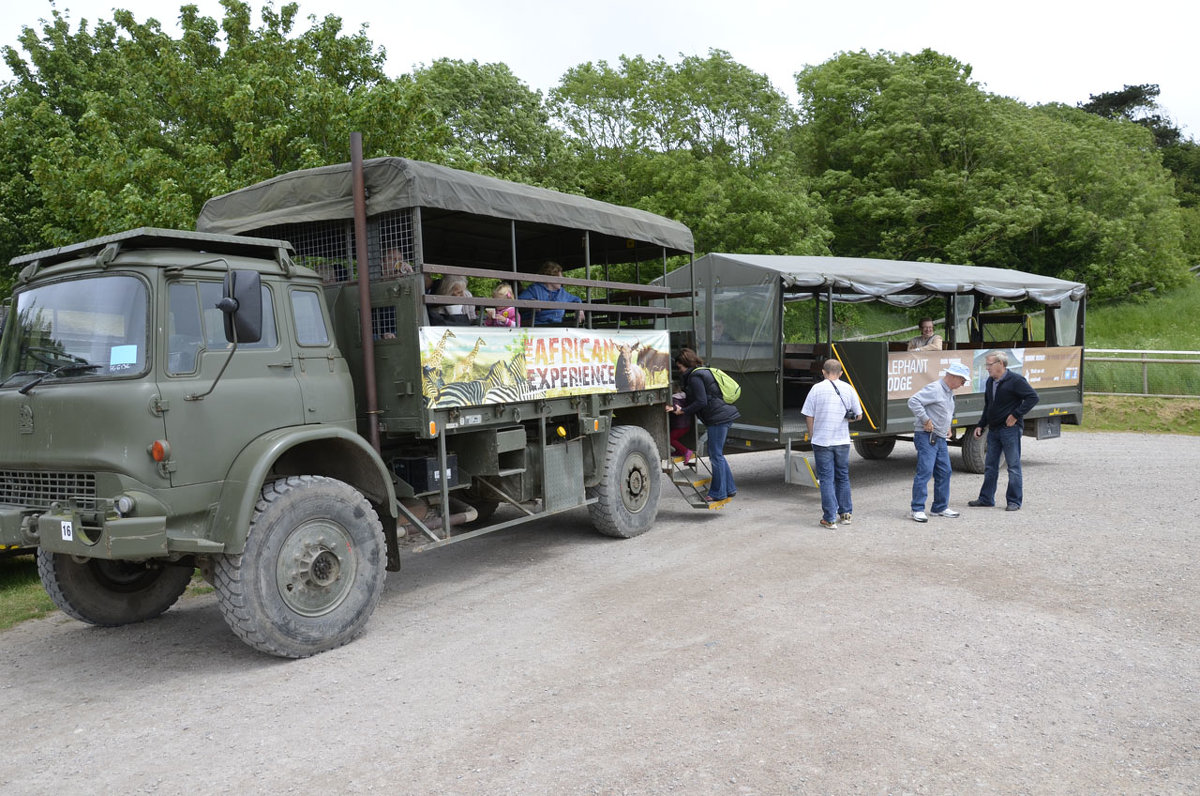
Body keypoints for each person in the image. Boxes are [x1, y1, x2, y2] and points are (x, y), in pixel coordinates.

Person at [969, 351, 1040, 511]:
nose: (987, 368)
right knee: (990, 465)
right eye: (986, 365)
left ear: (1000, 364)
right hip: (993, 430)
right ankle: (986, 498)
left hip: (1010, 430)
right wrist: (981, 424)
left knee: (1013, 466)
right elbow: (988, 406)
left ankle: (1014, 501)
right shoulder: (990, 381)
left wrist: (1016, 415)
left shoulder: (1015, 380)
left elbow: (1033, 397)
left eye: (989, 364)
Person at [670, 348, 739, 502]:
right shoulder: (702, 372)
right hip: (721, 416)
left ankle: (717, 493)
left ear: (685, 364)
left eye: (680, 367)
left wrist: (684, 411)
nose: (679, 371)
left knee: (715, 456)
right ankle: (729, 488)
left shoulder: (695, 377)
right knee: (718, 455)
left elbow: (701, 401)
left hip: (718, 418)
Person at [801, 359, 863, 529]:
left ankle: (829, 518)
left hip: (822, 441)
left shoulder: (816, 389)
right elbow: (858, 415)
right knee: (842, 476)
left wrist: (812, 433)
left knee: (826, 479)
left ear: (823, 372)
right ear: (841, 373)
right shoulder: (848, 389)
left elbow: (808, 415)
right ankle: (846, 514)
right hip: (842, 440)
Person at [907, 362, 971, 522]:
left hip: (939, 437)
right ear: (954, 376)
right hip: (927, 436)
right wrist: (925, 419)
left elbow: (944, 411)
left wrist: (947, 426)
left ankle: (940, 507)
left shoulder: (948, 392)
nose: (963, 384)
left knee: (945, 471)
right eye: (962, 381)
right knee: (925, 471)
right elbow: (913, 401)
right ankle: (917, 509)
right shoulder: (935, 389)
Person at [518, 261, 583, 326]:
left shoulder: (562, 293)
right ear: (550, 278)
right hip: (537, 327)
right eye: (560, 278)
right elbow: (520, 301)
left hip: (557, 327)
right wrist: (531, 302)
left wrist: (580, 309)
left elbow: (576, 299)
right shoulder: (535, 289)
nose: (562, 281)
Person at [668, 387, 695, 467]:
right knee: (674, 437)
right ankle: (679, 451)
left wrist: (671, 408)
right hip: (686, 424)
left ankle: (686, 451)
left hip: (680, 425)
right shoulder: (684, 396)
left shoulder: (674, 398)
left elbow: (676, 407)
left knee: (670, 439)